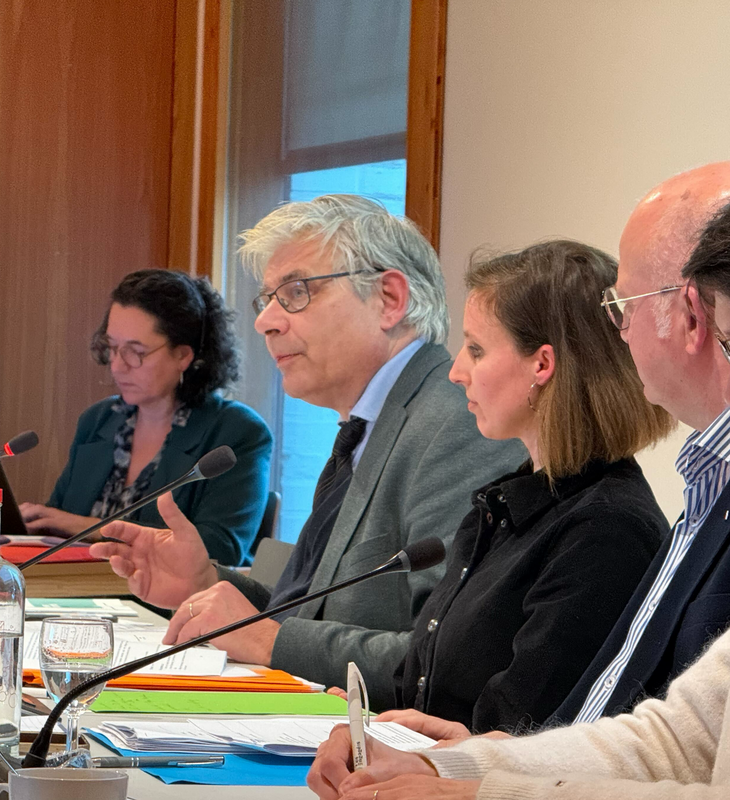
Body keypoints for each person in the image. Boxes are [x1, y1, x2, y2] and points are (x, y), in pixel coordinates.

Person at [307, 164, 730, 799]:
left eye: (623, 308)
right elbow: (670, 739)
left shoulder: (609, 525)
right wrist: (464, 762)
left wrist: (480, 784)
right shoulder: (700, 485)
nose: (456, 371)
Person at [92, 195, 525, 707]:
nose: (265, 322)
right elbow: (314, 613)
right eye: (268, 299)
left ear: (389, 299)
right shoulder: (368, 423)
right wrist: (204, 582)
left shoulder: (458, 425)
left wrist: (271, 643)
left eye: (296, 293)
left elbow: (445, 659)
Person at [391, 240, 672, 733]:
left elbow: (525, 733)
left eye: (476, 349)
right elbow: (427, 689)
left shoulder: (606, 531)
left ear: (542, 364)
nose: (456, 372)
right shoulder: (501, 507)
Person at [20, 269, 273, 567]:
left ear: (183, 355)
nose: (117, 366)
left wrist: (91, 528)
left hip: (174, 596)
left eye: (135, 352)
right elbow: (58, 523)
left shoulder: (237, 432)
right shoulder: (98, 420)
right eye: (112, 347)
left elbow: (220, 547)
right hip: (77, 589)